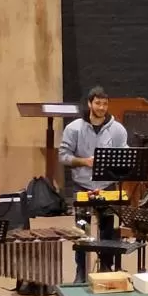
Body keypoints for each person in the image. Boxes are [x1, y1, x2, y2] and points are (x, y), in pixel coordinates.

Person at [58, 86, 128, 284]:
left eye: (105, 104)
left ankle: (106, 270)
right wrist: (84, 161)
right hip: (82, 186)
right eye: (98, 103)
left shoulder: (118, 129)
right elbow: (63, 156)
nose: (102, 107)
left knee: (107, 231)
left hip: (107, 186)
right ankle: (81, 272)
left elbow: (125, 155)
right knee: (82, 231)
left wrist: (118, 163)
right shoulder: (74, 129)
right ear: (89, 104)